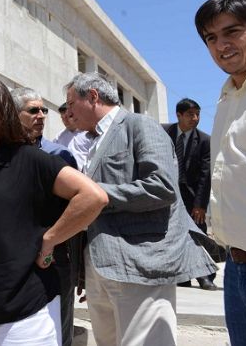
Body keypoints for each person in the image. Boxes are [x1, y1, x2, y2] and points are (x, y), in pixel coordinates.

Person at [0, 76, 108, 346]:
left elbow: (93, 197)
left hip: (23, 315)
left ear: (2, 114)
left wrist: (50, 241)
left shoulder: (31, 160)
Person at [65, 72, 217, 346]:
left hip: (140, 263)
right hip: (102, 268)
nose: (69, 112)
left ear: (93, 97)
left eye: (71, 103)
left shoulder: (139, 125)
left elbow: (162, 186)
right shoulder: (94, 141)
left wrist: (94, 194)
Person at [195, 0, 246, 345]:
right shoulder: (227, 97)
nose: (221, 45)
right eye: (211, 37)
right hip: (237, 269)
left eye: (232, 31)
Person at [11, 87, 79, 346]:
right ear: (14, 114)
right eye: (33, 110)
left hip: (55, 257)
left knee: (58, 329)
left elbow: (77, 208)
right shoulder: (0, 156)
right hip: (13, 257)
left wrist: (77, 267)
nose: (41, 115)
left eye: (43, 110)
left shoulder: (60, 155)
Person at [162, 98, 216, 290]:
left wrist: (200, 204)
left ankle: (206, 276)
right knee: (174, 235)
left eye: (197, 114)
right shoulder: (163, 132)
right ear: (178, 115)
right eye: (190, 114)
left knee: (198, 233)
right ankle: (182, 276)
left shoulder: (204, 141)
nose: (195, 118)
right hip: (169, 193)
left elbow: (205, 174)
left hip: (193, 196)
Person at [53, 103, 92, 172]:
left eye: (68, 117)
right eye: (62, 118)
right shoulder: (59, 137)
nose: (65, 120)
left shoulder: (88, 133)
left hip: (87, 175)